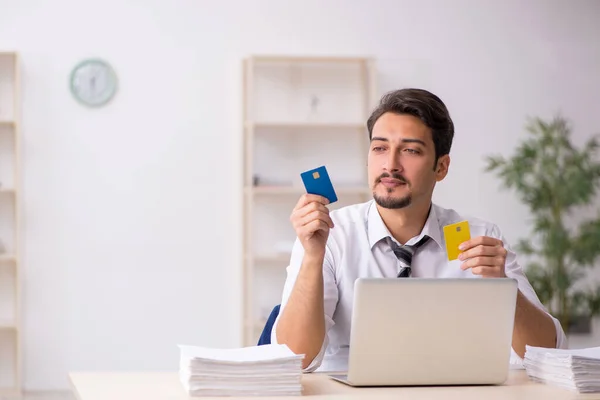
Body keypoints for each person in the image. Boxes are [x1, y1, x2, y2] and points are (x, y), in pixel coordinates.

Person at [270, 88, 567, 372]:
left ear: (441, 167)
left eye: (410, 150)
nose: (391, 164)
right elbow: (295, 359)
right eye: (380, 148)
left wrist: (504, 287)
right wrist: (312, 257)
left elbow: (547, 353)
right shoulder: (331, 235)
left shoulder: (477, 239)